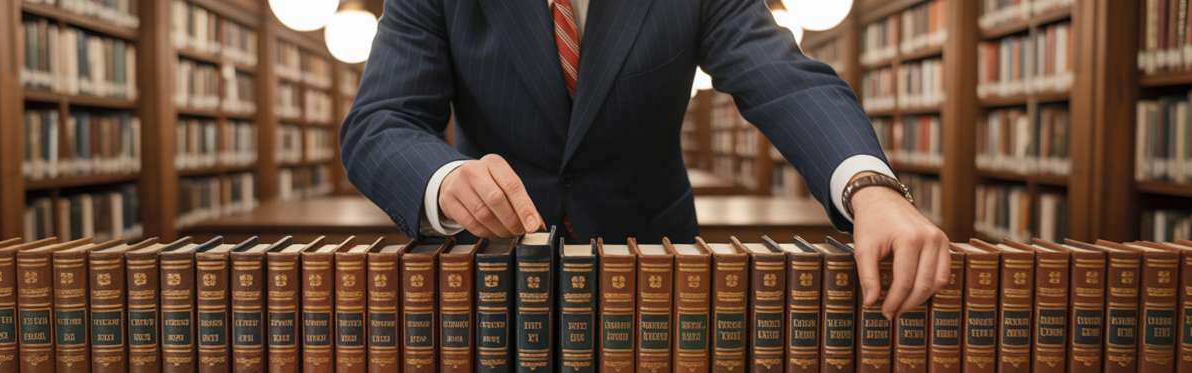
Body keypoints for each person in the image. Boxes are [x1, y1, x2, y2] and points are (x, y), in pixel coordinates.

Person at [340, 0, 950, 317]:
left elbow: (783, 79)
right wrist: (443, 180)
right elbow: (380, 122)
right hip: (495, 285)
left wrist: (870, 186)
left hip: (657, 286)